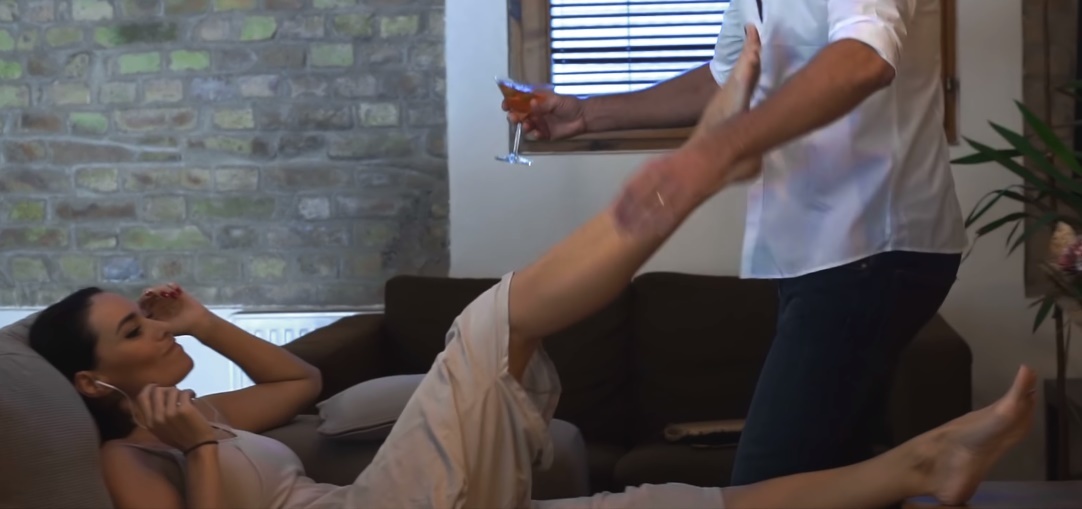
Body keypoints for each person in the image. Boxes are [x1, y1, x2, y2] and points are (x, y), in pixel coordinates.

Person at [27, 30, 1030, 509]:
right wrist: (198, 449)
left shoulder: (202, 412)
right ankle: (675, 194)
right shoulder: (136, 459)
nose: (155, 326)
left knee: (660, 504)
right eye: (135, 330)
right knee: (486, 325)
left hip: (384, 496)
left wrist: (203, 323)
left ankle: (919, 463)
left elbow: (300, 383)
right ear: (92, 383)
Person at [507, 0, 969, 486]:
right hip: (815, 255)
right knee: (829, 480)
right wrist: (588, 113)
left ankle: (933, 463)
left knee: (763, 487)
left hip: (872, 247)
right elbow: (722, 78)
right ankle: (934, 464)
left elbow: (865, 56)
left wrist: (715, 151)